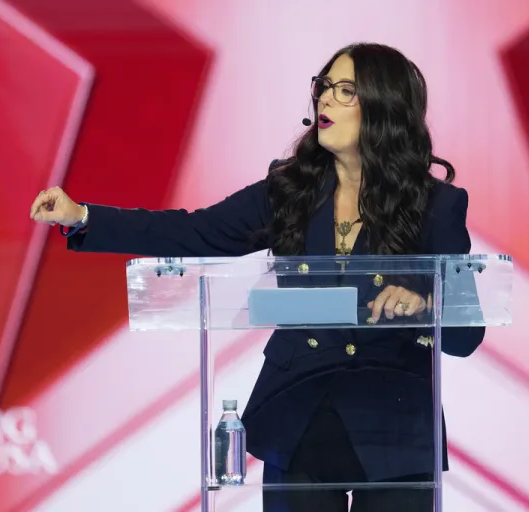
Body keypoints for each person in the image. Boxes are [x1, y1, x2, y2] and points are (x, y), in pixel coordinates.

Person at [30, 42, 485, 512]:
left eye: (345, 90)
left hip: (393, 427)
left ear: (385, 106)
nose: (325, 99)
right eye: (324, 86)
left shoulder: (435, 205)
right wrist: (84, 216)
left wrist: (428, 304)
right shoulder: (291, 189)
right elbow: (195, 231)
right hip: (300, 415)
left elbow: (467, 334)